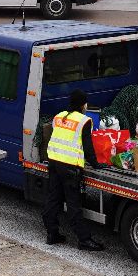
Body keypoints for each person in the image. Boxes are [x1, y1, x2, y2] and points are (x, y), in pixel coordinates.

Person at [34, 89, 104, 251]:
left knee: (53, 200)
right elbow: (88, 148)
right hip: (70, 167)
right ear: (83, 104)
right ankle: (84, 240)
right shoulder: (84, 121)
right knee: (74, 204)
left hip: (54, 162)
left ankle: (52, 234)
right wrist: (96, 165)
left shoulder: (59, 117)